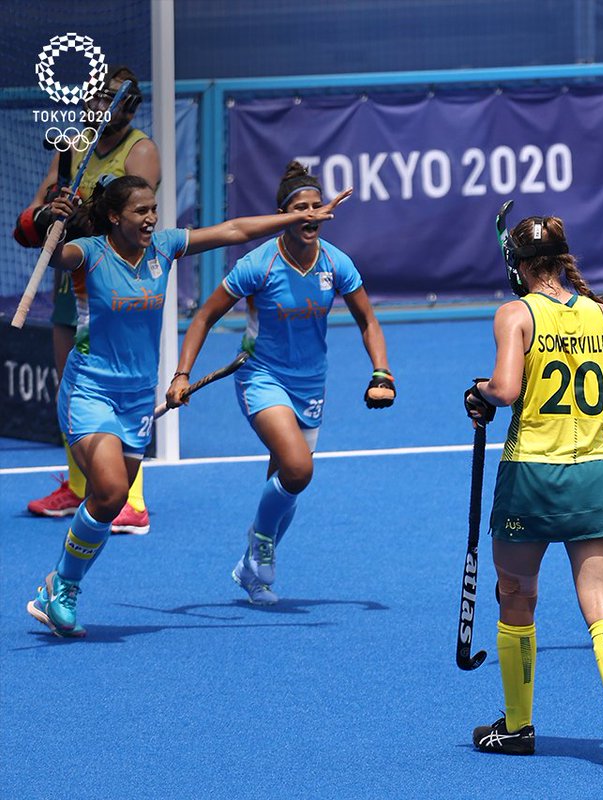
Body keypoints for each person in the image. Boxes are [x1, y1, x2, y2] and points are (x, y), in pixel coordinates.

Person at [25, 174, 351, 638]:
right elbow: (50, 251)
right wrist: (41, 219)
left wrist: (295, 216)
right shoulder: (90, 253)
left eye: (154, 209)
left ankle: (58, 581)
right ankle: (65, 587)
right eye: (141, 211)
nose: (151, 218)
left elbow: (235, 231)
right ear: (115, 216)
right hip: (91, 390)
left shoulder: (164, 247)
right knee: (112, 491)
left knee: (109, 499)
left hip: (138, 396)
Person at [167, 162, 392, 605]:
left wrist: (381, 372)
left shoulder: (336, 263)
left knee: (288, 483)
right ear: (282, 214)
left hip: (311, 384)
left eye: (315, 206)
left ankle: (252, 572)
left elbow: (368, 320)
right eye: (298, 208)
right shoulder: (259, 263)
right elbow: (205, 316)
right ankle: (261, 541)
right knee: (298, 467)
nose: (309, 215)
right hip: (260, 376)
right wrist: (181, 373)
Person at [464, 210, 603, 770]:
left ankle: (517, 727)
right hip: (592, 471)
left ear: (518, 264)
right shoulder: (602, 316)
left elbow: (508, 388)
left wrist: (479, 390)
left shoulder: (515, 313)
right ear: (564, 259)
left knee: (517, 594)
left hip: (532, 474)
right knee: (602, 603)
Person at [18, 66, 161, 534]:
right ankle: (81, 487)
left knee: (115, 387)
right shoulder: (76, 142)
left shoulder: (139, 150)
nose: (98, 106)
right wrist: (48, 211)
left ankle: (130, 499)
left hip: (113, 280)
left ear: (129, 107)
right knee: (72, 389)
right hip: (71, 274)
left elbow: (136, 219)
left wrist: (85, 213)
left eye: (110, 99)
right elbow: (44, 200)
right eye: (95, 97)